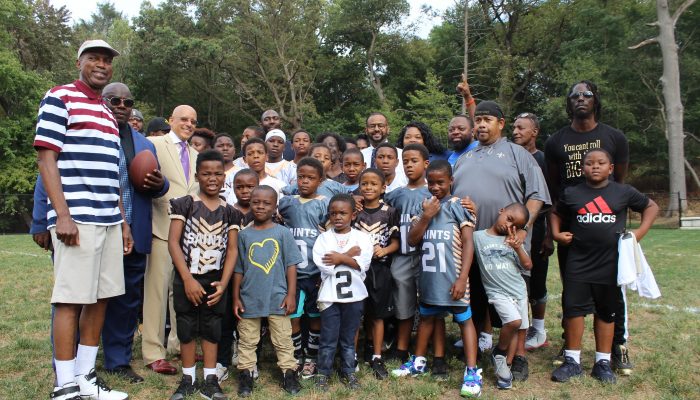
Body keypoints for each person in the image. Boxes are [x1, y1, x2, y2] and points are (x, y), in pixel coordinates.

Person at [34, 39, 130, 400]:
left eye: (107, 60)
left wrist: (122, 222)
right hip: (77, 217)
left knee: (100, 298)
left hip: (107, 219)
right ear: (80, 63)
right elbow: (46, 158)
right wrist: (62, 215)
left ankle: (86, 377)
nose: (101, 65)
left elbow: (110, 173)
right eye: (94, 58)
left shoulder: (106, 111)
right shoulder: (59, 97)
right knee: (71, 300)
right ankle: (65, 385)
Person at [544, 80, 632, 374]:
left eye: (587, 94)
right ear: (568, 103)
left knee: (612, 290)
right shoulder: (556, 141)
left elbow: (620, 183)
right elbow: (554, 189)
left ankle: (616, 348)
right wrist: (552, 231)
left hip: (606, 226)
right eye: (575, 96)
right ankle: (571, 349)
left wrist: (624, 229)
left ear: (596, 100)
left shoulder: (614, 137)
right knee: (573, 289)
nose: (581, 99)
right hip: (572, 228)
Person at [452, 101, 550, 360]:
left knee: (516, 300)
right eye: (479, 120)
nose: (482, 124)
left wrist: (523, 229)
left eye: (488, 120)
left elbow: (536, 196)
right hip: (472, 242)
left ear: (501, 123)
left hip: (507, 243)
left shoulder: (518, 154)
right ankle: (478, 345)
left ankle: (517, 357)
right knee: (476, 297)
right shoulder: (464, 158)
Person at [550, 149, 658, 384]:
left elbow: (651, 207)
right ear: (582, 168)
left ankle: (603, 362)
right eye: (589, 163)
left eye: (601, 163)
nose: (595, 166)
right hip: (578, 261)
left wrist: (639, 232)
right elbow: (556, 213)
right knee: (573, 310)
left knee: (607, 313)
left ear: (611, 168)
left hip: (610, 263)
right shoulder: (572, 192)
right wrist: (557, 234)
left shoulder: (623, 192)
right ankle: (572, 361)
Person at [393, 160, 481, 399]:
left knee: (464, 319)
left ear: (451, 181)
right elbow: (411, 240)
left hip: (453, 277)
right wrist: (426, 216)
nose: (435, 187)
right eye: (431, 182)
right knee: (427, 318)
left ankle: (472, 371)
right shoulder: (424, 207)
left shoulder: (458, 206)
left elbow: (468, 243)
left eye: (440, 182)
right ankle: (419, 361)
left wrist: (463, 277)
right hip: (430, 278)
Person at [101, 83, 169, 384]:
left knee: (127, 301)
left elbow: (160, 184)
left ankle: (118, 360)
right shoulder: (83, 135)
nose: (121, 106)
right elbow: (48, 173)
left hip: (135, 231)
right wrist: (40, 220)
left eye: (127, 102)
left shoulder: (145, 144)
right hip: (96, 228)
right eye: (114, 100)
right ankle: (76, 359)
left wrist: (160, 184)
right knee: (85, 298)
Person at [167, 150, 241, 400]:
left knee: (212, 327)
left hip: (216, 279)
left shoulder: (230, 212)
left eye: (218, 174)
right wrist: (187, 279)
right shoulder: (184, 204)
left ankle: (210, 378)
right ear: (197, 175)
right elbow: (173, 243)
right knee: (186, 325)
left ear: (224, 177)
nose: (212, 178)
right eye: (207, 173)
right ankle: (188, 377)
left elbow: (232, 250)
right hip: (187, 277)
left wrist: (225, 282)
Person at [143, 105, 200, 376]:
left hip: (188, 235)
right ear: (171, 121)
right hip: (161, 229)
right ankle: (153, 351)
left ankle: (178, 344)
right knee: (156, 293)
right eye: (183, 119)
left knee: (180, 294)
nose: (188, 124)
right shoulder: (153, 143)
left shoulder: (197, 154)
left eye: (193, 121)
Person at [233, 186, 303, 397]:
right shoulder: (244, 235)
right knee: (247, 339)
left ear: (275, 207)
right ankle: (246, 373)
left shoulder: (282, 233)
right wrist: (236, 297)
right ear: (250, 203)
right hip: (249, 297)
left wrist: (291, 294)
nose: (260, 206)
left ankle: (288, 373)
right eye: (256, 202)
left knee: (283, 338)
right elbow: (238, 269)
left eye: (266, 203)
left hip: (278, 297)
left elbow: (291, 265)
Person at [312, 194, 373, 391]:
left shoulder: (362, 238)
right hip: (330, 296)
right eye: (334, 213)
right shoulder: (323, 238)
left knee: (348, 338)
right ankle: (323, 372)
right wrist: (346, 256)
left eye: (343, 213)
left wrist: (339, 258)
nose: (338, 217)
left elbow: (361, 265)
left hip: (354, 296)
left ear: (353, 215)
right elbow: (325, 266)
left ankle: (348, 371)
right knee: (328, 337)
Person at [277, 157, 328, 380]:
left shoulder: (325, 203)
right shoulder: (287, 202)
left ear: (321, 180)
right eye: (301, 177)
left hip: (316, 273)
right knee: (293, 316)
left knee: (315, 315)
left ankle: (312, 357)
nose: (304, 181)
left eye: (310, 178)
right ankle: (296, 354)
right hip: (293, 274)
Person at [473, 203, 533, 390]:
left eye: (514, 225)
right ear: (501, 211)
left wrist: (517, 248)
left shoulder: (513, 241)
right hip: (497, 292)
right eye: (508, 219)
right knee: (514, 322)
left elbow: (528, 265)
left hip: (518, 291)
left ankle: (504, 366)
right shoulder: (478, 236)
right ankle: (498, 352)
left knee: (516, 328)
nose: (508, 226)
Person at [382, 144, 432, 364]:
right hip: (402, 256)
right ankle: (402, 347)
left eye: (415, 161)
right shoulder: (395, 195)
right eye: (406, 161)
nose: (410, 165)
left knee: (429, 303)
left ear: (426, 164)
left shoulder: (433, 192)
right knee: (403, 304)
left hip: (426, 257)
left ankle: (428, 347)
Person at [512, 113, 553, 354]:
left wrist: (548, 235)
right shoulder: (510, 158)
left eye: (522, 128)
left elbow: (549, 198)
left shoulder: (542, 160)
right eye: (514, 128)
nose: (516, 132)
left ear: (534, 132)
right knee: (518, 281)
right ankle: (520, 327)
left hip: (537, 230)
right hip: (513, 230)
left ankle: (538, 330)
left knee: (536, 280)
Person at [353, 168, 400, 379]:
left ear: (383, 187)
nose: (369, 187)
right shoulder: (355, 212)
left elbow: (397, 242)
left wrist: (385, 250)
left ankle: (376, 356)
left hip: (380, 269)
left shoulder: (390, 211)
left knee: (377, 315)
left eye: (374, 184)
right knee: (355, 314)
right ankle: (350, 357)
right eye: (365, 184)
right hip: (355, 270)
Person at [215, 169, 258, 381]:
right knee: (226, 320)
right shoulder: (227, 211)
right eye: (240, 186)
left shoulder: (264, 213)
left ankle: (250, 359)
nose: (245, 191)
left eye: (250, 186)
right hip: (230, 274)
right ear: (233, 187)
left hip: (254, 277)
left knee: (251, 319)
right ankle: (222, 361)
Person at [226, 138, 286, 205]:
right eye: (250, 153)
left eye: (260, 152)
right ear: (245, 159)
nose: (256, 156)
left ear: (266, 156)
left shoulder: (279, 185)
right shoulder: (238, 186)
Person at [283, 144, 350, 198]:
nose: (321, 160)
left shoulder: (336, 186)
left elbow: (350, 198)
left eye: (326, 158)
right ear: (308, 159)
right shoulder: (299, 184)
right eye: (317, 156)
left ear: (331, 165)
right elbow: (284, 193)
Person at [361, 113, 406, 181]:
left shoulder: (402, 154)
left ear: (388, 129)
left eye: (380, 126)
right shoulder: (360, 155)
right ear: (366, 130)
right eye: (372, 126)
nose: (376, 129)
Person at [214, 133, 239, 200]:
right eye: (220, 146)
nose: (225, 148)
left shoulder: (242, 173)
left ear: (234, 150)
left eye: (229, 145)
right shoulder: (206, 174)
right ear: (213, 150)